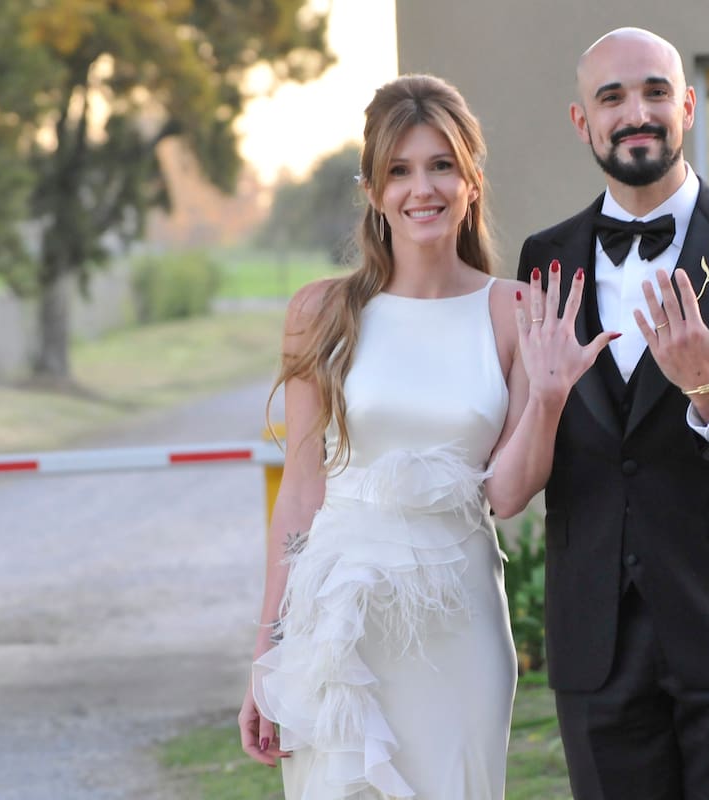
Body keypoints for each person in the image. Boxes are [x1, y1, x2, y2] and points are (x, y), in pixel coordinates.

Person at [237, 74, 618, 799]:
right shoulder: (320, 311)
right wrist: (268, 653)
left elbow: (505, 495)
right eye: (400, 171)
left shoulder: (515, 310)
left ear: (472, 180)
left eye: (442, 165)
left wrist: (547, 396)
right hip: (339, 626)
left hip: (460, 626)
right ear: (375, 191)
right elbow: (301, 496)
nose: (423, 189)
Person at [517, 28, 709, 799]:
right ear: (582, 122)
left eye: (655, 91)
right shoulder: (543, 259)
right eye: (611, 97)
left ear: (687, 105)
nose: (637, 112)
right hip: (596, 644)